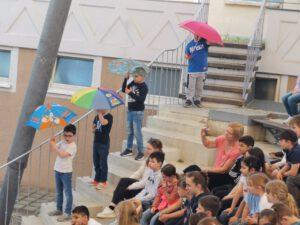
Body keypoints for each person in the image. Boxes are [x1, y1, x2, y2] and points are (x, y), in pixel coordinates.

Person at [96, 138, 163, 219]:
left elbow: (146, 184)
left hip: (146, 192)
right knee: (124, 182)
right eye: (146, 148)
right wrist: (126, 183)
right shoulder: (149, 159)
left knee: (124, 185)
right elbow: (138, 173)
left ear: (157, 149)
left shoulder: (158, 165)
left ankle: (112, 209)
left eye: (149, 149)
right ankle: (112, 208)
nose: (147, 151)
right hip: (142, 187)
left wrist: (129, 186)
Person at [220, 156, 263, 225]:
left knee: (234, 223)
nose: (240, 170)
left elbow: (252, 208)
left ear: (252, 170)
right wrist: (232, 209)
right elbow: (240, 195)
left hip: (254, 213)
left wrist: (239, 219)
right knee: (224, 215)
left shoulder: (256, 184)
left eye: (243, 168)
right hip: (246, 208)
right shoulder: (244, 176)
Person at [201, 122, 244, 190]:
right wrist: (203, 136)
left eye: (229, 133)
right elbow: (208, 144)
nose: (226, 134)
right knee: (194, 169)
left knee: (205, 176)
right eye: (226, 131)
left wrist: (206, 170)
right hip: (215, 171)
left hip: (225, 176)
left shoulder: (237, 150)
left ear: (236, 137)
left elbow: (224, 170)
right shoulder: (221, 139)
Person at [48, 124, 77, 222]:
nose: (67, 138)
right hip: (57, 169)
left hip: (66, 172)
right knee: (59, 191)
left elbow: (62, 155)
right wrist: (52, 142)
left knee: (68, 193)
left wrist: (54, 146)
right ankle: (59, 209)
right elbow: (52, 150)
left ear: (74, 136)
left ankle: (68, 213)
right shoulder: (62, 142)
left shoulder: (73, 146)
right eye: (65, 135)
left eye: (70, 136)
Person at [121, 66, 149, 161]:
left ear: (142, 76)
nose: (134, 78)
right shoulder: (133, 82)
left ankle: (141, 151)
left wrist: (130, 93)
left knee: (137, 132)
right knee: (130, 131)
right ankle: (129, 149)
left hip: (138, 112)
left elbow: (141, 99)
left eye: (136, 76)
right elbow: (123, 89)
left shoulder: (144, 87)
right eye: (133, 76)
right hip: (130, 110)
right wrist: (126, 78)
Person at [90, 109, 113, 190]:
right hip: (96, 141)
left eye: (100, 107)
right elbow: (93, 129)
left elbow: (103, 122)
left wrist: (100, 114)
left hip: (104, 143)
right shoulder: (96, 117)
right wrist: (94, 128)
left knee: (103, 162)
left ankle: (103, 181)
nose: (98, 109)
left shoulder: (109, 116)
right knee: (96, 161)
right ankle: (97, 179)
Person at [184, 35, 209, 108]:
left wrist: (204, 38)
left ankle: (197, 100)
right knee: (191, 86)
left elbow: (209, 42)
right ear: (194, 34)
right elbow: (186, 56)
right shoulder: (189, 45)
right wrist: (189, 57)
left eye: (199, 34)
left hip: (202, 69)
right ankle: (189, 100)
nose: (197, 35)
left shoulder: (204, 43)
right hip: (192, 70)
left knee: (199, 87)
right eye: (196, 34)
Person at [277, 130, 300, 207]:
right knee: (279, 174)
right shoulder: (288, 149)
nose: (279, 142)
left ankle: (292, 205)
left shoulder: (296, 151)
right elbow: (288, 164)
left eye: (281, 140)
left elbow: (293, 172)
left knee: (291, 179)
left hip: (297, 174)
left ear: (288, 142)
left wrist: (283, 174)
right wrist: (280, 172)